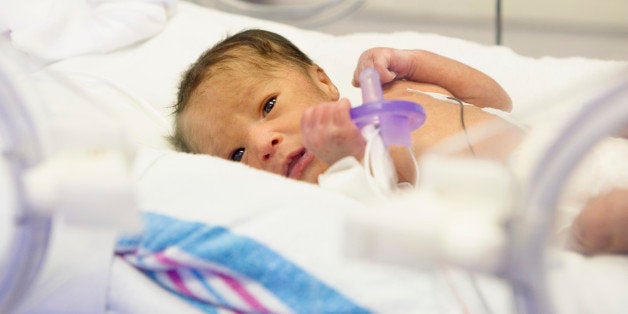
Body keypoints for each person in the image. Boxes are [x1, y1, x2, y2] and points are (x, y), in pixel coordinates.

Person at [169, 29, 524, 185]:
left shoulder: (398, 90)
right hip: (515, 217)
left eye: (268, 105)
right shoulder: (329, 189)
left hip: (548, 152)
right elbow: (385, 208)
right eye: (237, 153)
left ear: (323, 82)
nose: (263, 143)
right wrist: (349, 159)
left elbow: (494, 103)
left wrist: (414, 63)